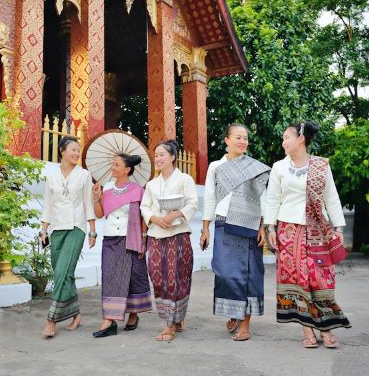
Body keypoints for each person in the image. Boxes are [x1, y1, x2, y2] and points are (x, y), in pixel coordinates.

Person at [264, 121, 351, 349]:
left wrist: (338, 228)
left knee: (320, 277)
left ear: (300, 139)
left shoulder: (321, 166)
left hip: (318, 230)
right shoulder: (279, 167)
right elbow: (272, 198)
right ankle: (307, 330)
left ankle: (327, 328)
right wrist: (270, 227)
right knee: (297, 279)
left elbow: (331, 197)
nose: (283, 142)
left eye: (286, 137)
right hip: (289, 231)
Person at [200, 124, 270, 341]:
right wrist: (205, 228)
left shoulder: (254, 168)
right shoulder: (215, 166)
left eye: (245, 138)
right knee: (224, 272)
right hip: (223, 223)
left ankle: (245, 322)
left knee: (249, 274)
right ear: (226, 140)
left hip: (249, 225)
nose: (242, 141)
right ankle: (234, 311)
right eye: (238, 137)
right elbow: (210, 197)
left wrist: (264, 226)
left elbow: (264, 198)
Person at [140, 140, 198, 341]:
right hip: (156, 234)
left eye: (162, 154)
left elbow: (192, 203)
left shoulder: (184, 179)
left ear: (173, 157)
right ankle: (172, 316)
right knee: (157, 278)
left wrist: (174, 215)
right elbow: (144, 207)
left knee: (176, 278)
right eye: (156, 155)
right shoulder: (151, 184)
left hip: (178, 234)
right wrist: (155, 218)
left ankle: (171, 323)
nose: (158, 158)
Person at [40, 136, 97, 338]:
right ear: (62, 151)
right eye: (72, 149)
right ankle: (76, 315)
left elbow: (88, 203)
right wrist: (44, 229)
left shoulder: (84, 175)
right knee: (65, 274)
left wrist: (92, 230)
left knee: (61, 273)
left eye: (78, 150)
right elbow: (48, 204)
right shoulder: (52, 176)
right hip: (56, 229)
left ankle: (51, 320)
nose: (76, 153)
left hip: (76, 227)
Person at [91, 154, 152, 338]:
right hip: (110, 239)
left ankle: (133, 314)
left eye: (117, 165)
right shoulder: (107, 188)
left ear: (127, 169)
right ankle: (109, 320)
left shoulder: (137, 190)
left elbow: (142, 218)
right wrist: (96, 198)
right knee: (110, 276)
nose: (113, 167)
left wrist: (142, 240)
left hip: (130, 238)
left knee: (134, 276)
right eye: (113, 164)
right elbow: (100, 214)